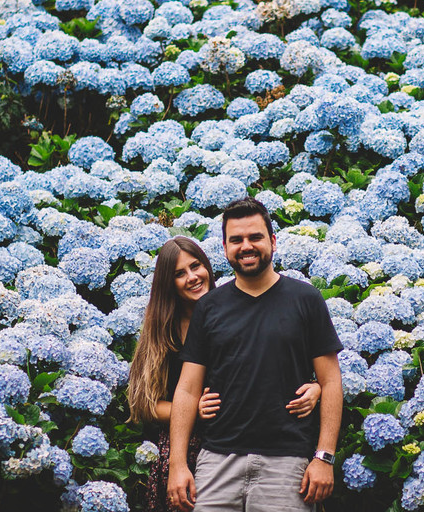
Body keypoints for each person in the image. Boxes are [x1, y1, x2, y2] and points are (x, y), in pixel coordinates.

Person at [167, 198, 344, 512]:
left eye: (255, 237)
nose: (245, 246)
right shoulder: (209, 307)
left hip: (287, 465)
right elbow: (187, 389)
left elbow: (330, 382)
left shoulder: (306, 299)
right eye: (236, 240)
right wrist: (178, 464)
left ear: (273, 242)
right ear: (225, 248)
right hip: (217, 462)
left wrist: (324, 457)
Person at [128, 235, 322, 512]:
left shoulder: (233, 311)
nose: (193, 277)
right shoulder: (161, 333)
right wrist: (190, 409)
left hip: (242, 447)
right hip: (187, 451)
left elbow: (270, 369)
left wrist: (317, 388)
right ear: (167, 284)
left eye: (196, 266)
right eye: (180, 274)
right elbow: (143, 404)